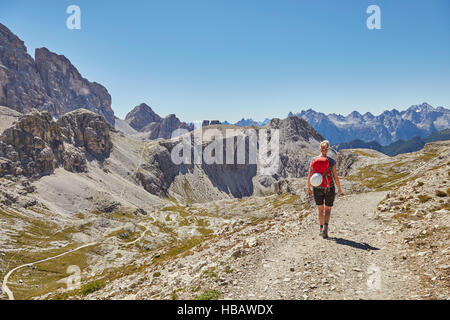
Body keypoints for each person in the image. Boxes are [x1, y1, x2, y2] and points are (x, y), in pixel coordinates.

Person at [307, 140, 343, 239]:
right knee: (328, 209)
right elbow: (335, 176)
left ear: (320, 149)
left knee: (320, 209)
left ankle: (320, 228)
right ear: (328, 149)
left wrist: (308, 188)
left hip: (317, 188)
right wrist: (339, 188)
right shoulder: (331, 161)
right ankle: (326, 229)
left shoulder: (313, 160)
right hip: (329, 187)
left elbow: (310, 175)